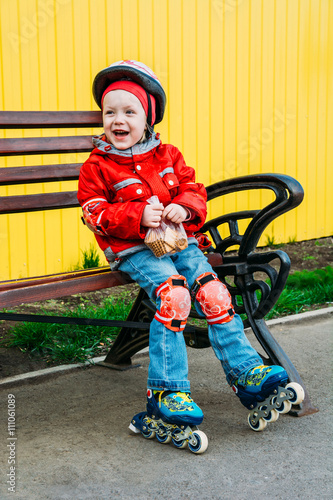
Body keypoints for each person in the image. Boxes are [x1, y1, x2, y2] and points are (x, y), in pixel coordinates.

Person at [77, 60, 303, 452]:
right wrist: (136, 215)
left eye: (129, 111)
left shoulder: (169, 155)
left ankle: (246, 372)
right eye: (109, 111)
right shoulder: (97, 166)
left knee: (215, 294)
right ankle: (166, 394)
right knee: (175, 296)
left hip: (182, 242)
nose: (117, 119)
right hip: (133, 249)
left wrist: (184, 207)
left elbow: (194, 190)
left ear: (147, 117)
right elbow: (93, 212)